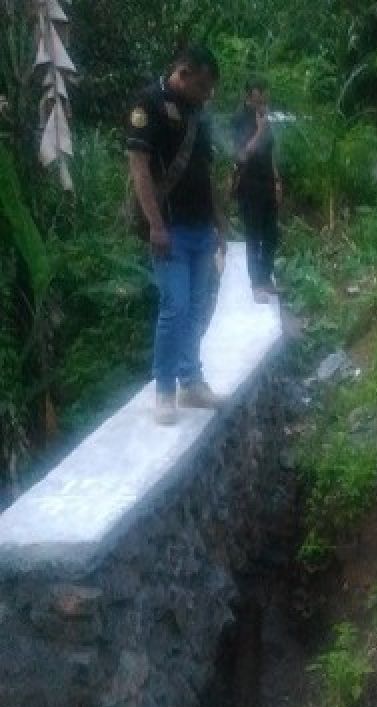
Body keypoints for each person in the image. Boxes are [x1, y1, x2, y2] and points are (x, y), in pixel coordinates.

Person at [127, 44, 226, 426]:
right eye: (202, 86)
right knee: (176, 308)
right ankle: (165, 390)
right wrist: (155, 225)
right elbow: (139, 169)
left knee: (198, 308)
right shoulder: (148, 104)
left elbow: (206, 169)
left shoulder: (198, 111)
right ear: (182, 73)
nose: (207, 95)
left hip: (201, 228)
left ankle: (192, 382)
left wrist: (220, 223)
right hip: (170, 230)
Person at [232, 76, 283, 304]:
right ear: (247, 97)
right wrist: (260, 131)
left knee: (272, 234)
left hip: (267, 183)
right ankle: (256, 284)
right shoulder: (238, 119)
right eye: (257, 100)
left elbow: (270, 151)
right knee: (254, 236)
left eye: (264, 99)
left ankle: (266, 277)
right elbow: (241, 155)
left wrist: (277, 180)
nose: (261, 104)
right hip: (249, 185)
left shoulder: (264, 117)